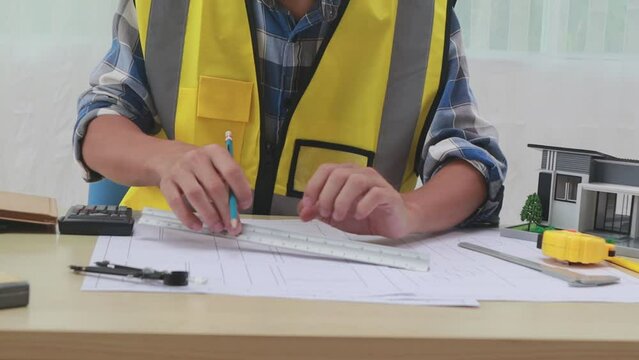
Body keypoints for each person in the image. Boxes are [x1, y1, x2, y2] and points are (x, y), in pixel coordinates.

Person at [74, 0, 507, 239]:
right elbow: (101, 118)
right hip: (177, 275)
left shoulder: (418, 13)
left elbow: (470, 161)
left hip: (345, 296)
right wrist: (161, 159)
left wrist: (410, 212)